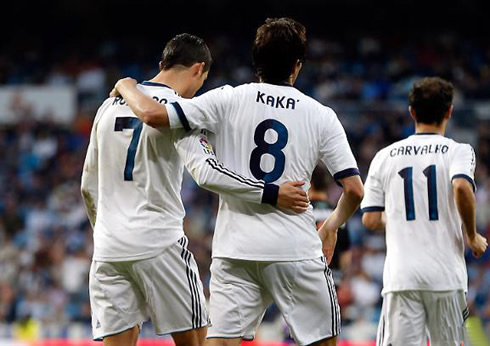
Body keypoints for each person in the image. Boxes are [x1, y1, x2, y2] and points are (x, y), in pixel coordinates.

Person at [111, 18, 364, 346]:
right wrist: (331, 225)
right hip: (296, 250)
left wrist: (127, 86)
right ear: (297, 66)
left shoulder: (227, 99)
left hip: (235, 251)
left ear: (256, 62)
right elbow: (354, 190)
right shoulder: (320, 114)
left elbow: (158, 116)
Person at [80, 33, 308, 346]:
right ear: (199, 69)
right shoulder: (179, 110)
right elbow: (207, 172)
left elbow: (87, 187)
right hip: (159, 243)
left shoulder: (106, 109)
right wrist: (271, 192)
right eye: (201, 82)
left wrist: (106, 231)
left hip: (108, 249)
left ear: (163, 63)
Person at [360, 77, 488, 346]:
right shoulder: (459, 151)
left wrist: (400, 218)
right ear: (450, 112)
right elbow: (463, 187)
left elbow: (370, 219)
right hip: (446, 277)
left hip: (401, 277)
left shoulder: (385, 155)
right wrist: (472, 235)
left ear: (412, 112)